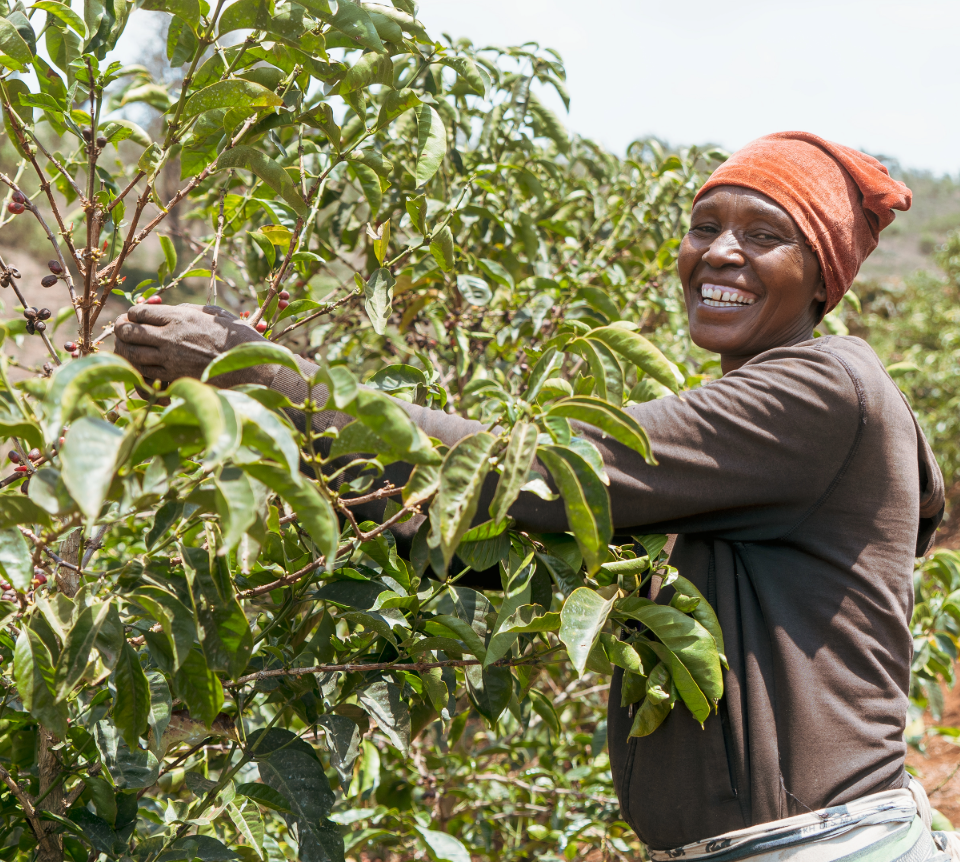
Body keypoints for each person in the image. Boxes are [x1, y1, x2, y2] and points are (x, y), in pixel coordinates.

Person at [114, 131, 953, 861]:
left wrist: (264, 373)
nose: (722, 253)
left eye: (765, 235)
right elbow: (515, 552)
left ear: (821, 276)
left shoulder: (823, 388)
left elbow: (547, 474)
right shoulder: (747, 446)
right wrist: (274, 429)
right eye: (705, 227)